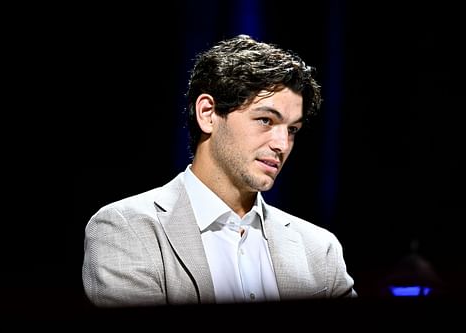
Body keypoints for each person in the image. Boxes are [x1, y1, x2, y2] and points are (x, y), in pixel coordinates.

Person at [82, 34, 357, 307]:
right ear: (208, 113)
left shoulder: (320, 249)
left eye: (292, 130)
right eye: (265, 120)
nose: (282, 144)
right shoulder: (127, 229)